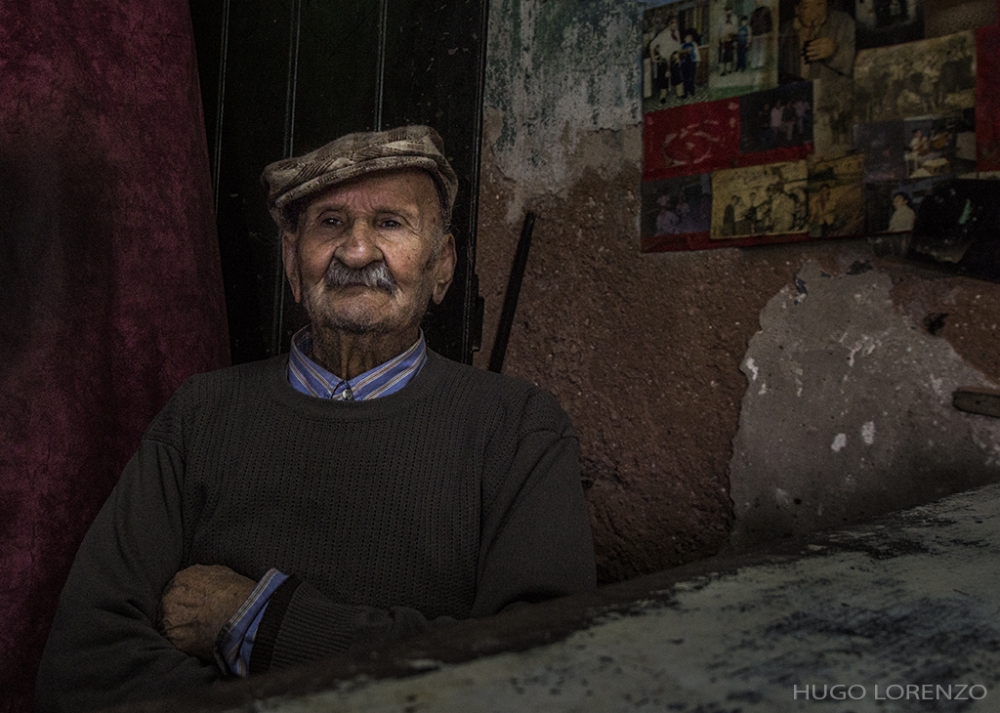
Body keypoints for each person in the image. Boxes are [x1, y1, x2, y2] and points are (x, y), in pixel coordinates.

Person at [35, 126, 597, 712]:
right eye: (330, 222)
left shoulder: (519, 430)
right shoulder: (199, 414)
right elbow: (83, 665)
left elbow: (539, 672)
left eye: (390, 223)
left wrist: (257, 620)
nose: (356, 252)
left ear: (442, 267)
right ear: (290, 260)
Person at [779, 0, 855, 81]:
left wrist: (836, 51)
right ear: (797, 9)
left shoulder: (843, 23)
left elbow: (859, 64)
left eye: (819, 4)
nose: (814, 12)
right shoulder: (785, 31)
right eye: (806, 6)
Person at [650, 15, 683, 103]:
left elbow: (678, 46)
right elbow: (652, 45)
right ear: (669, 23)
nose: (675, 25)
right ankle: (663, 96)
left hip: (674, 59)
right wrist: (653, 57)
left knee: (677, 76)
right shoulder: (663, 34)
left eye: (676, 23)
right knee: (663, 79)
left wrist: (678, 55)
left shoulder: (677, 33)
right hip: (664, 60)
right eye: (673, 23)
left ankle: (680, 94)